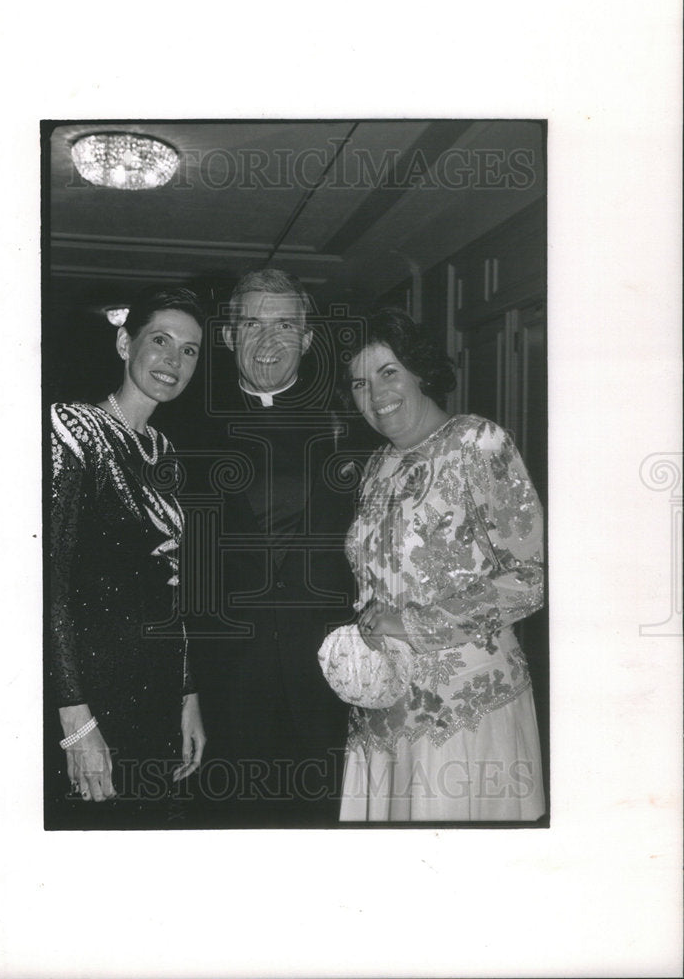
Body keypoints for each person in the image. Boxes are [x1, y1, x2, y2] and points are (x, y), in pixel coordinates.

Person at [338, 308, 545, 821]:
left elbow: (530, 578)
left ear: (420, 371)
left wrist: (411, 624)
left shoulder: (478, 442)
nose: (376, 394)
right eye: (360, 383)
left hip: (465, 707)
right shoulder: (376, 466)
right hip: (386, 704)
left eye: (389, 372)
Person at [176, 269, 365, 827]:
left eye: (285, 325)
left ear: (307, 339)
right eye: (252, 324)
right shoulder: (183, 431)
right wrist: (184, 688)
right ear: (227, 335)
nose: (268, 340)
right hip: (226, 682)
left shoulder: (355, 425)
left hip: (330, 680)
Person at [45, 286, 206, 829]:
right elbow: (49, 584)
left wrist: (187, 695)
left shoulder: (165, 452)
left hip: (157, 687)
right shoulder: (73, 430)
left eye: (189, 350)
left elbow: (171, 587)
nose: (173, 360)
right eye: (160, 340)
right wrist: (76, 719)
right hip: (91, 690)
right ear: (124, 344)